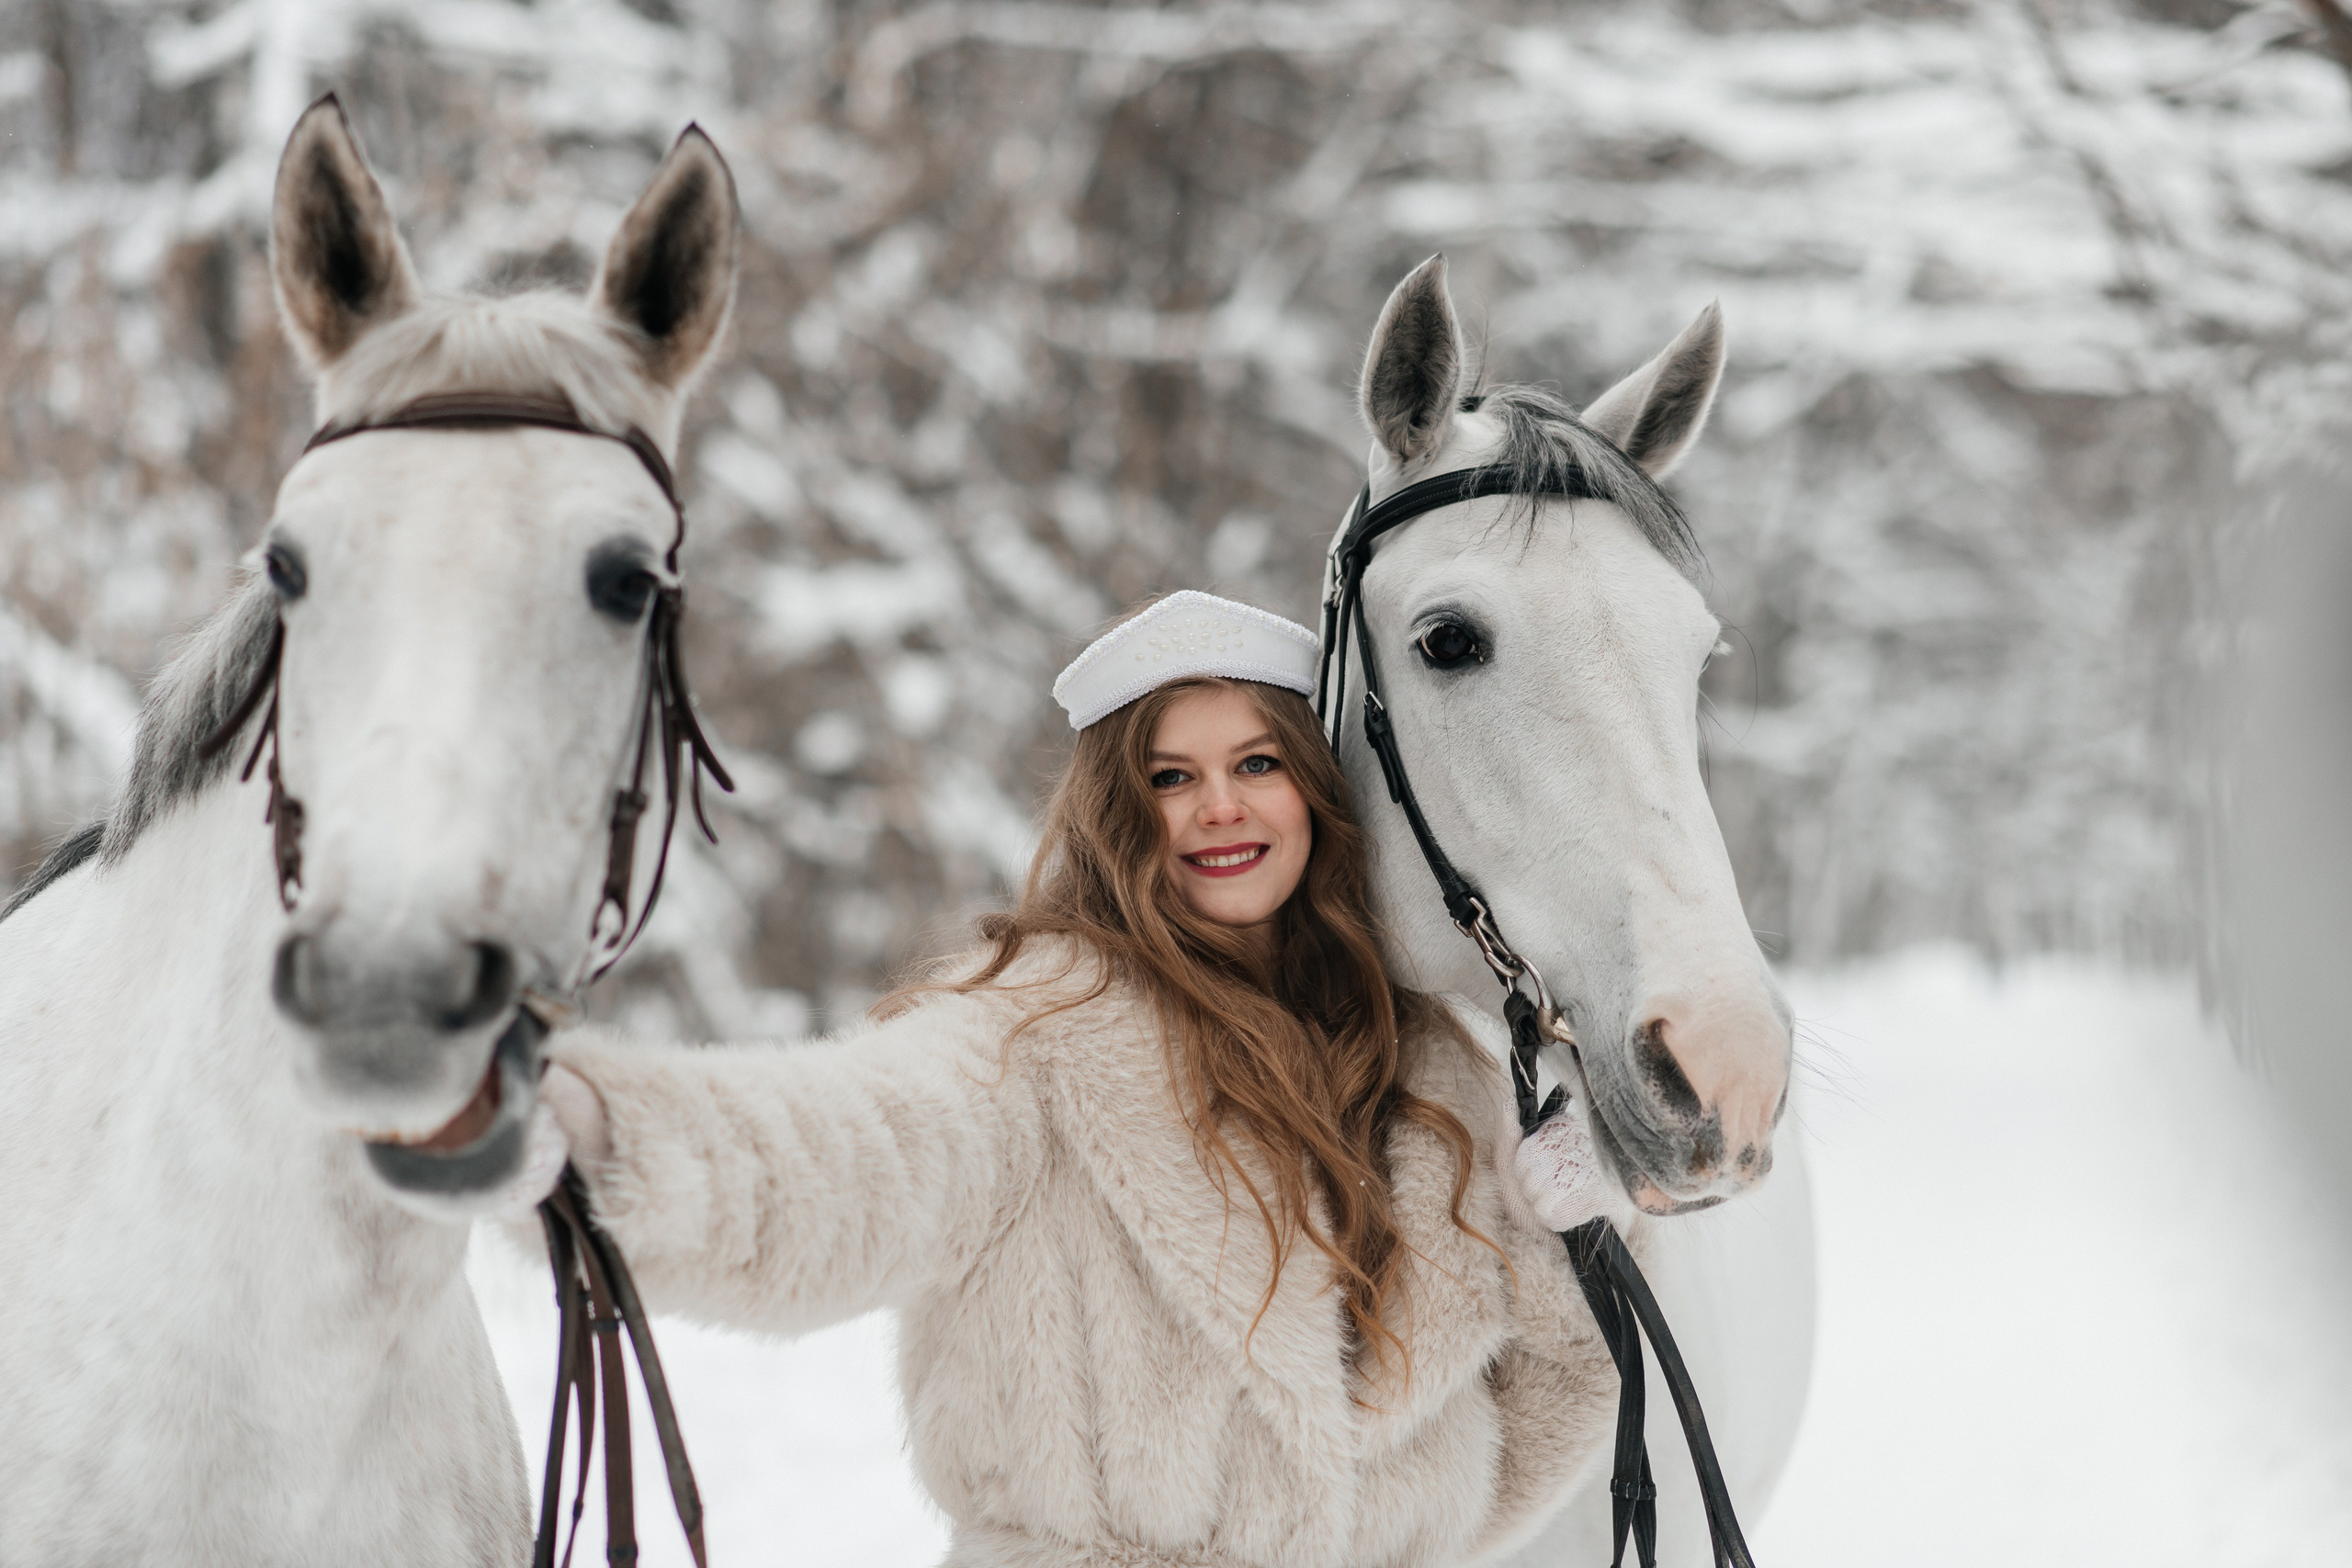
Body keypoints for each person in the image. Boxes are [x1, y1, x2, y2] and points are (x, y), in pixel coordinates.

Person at [517, 590, 1630, 1568]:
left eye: (1257, 764)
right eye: (1170, 777)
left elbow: (1562, 1380)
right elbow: (847, 1155)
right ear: (1119, 813)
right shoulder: (1027, 1032)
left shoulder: (1427, 1062)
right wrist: (610, 1140)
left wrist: (1580, 1234)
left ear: (1315, 793)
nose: (1220, 807)